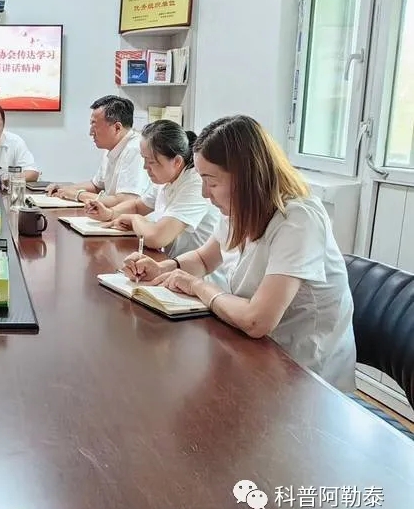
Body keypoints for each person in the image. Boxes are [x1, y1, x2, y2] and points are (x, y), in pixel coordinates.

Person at [123, 115, 356, 392]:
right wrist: (163, 269)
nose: (205, 194)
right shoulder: (239, 208)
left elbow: (257, 320)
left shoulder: (298, 220)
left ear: (246, 178)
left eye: (211, 182)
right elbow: (203, 259)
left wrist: (197, 286)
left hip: (304, 373)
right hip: (256, 351)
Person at [87, 120, 219, 257]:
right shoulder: (166, 178)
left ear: (177, 161)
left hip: (193, 268)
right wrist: (110, 213)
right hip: (171, 261)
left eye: (151, 161)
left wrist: (135, 220)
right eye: (144, 159)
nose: (145, 167)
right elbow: (138, 206)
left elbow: (156, 238)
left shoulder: (195, 184)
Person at [47, 96, 150, 206]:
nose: (90, 132)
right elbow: (96, 185)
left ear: (117, 128)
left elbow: (127, 201)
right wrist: (65, 189)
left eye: (94, 125)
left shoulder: (135, 149)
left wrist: (78, 194)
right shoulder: (111, 147)